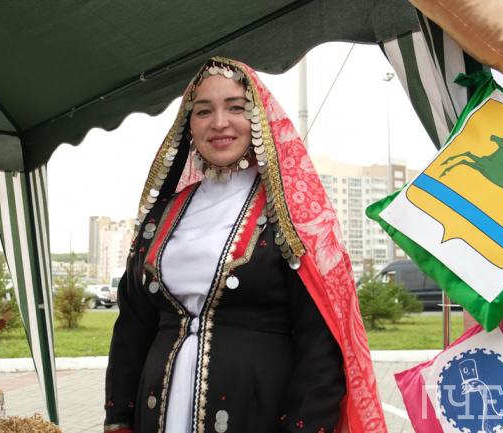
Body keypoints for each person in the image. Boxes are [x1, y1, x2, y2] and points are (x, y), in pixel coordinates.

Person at [104, 57, 385, 433]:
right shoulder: (162, 215)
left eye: (235, 107)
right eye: (204, 111)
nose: (219, 122)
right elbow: (132, 328)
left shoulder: (293, 214)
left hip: (260, 416)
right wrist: (118, 419)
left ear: (257, 118)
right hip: (158, 417)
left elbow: (321, 343)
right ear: (189, 125)